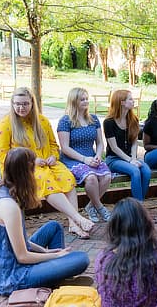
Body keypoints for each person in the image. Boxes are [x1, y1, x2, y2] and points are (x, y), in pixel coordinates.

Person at [0, 147, 90, 295]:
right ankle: (55, 281)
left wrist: (45, 251)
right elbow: (23, 256)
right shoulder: (9, 206)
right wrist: (55, 256)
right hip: (10, 277)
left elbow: (12, 241)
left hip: (5, 261)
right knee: (81, 259)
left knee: (54, 227)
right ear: (27, 173)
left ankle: (55, 277)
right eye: (34, 169)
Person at [0, 87, 94, 239]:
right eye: (17, 104)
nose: (21, 107)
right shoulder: (5, 124)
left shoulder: (42, 121)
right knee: (47, 181)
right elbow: (2, 155)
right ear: (12, 104)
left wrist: (54, 156)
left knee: (68, 178)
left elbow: (54, 145)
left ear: (32, 103)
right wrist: (31, 161)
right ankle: (77, 218)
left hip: (48, 164)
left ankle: (73, 224)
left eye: (25, 104)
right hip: (21, 168)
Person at [57, 87, 112, 223]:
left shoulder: (93, 119)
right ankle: (99, 207)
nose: (86, 101)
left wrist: (98, 155)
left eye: (87, 98)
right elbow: (65, 148)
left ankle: (90, 206)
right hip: (73, 159)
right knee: (91, 178)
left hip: (91, 157)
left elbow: (100, 143)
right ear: (74, 101)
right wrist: (84, 159)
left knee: (106, 176)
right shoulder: (65, 121)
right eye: (82, 99)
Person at [103, 89, 151, 201]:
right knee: (135, 171)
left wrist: (133, 158)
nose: (133, 101)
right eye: (130, 99)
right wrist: (130, 161)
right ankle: (139, 206)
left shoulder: (133, 119)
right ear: (122, 102)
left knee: (146, 171)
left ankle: (138, 204)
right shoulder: (109, 122)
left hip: (130, 158)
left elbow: (134, 142)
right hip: (114, 159)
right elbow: (114, 148)